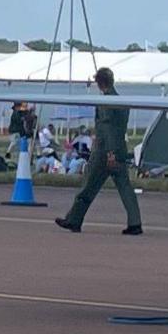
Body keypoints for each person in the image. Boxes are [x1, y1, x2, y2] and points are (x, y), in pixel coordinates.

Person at [59, 65, 144, 236]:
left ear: (99, 83)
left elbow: (108, 129)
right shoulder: (121, 102)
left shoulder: (106, 103)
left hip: (104, 152)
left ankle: (74, 219)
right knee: (125, 187)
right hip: (119, 148)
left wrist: (109, 153)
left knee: (88, 186)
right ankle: (135, 222)